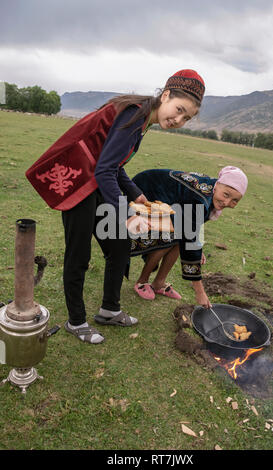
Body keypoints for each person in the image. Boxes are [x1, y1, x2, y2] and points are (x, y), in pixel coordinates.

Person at [25, 69, 205, 344]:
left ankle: (109, 309)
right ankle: (76, 321)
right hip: (78, 184)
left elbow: (113, 163)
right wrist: (128, 213)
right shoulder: (134, 115)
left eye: (187, 117)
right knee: (79, 254)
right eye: (179, 109)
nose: (179, 119)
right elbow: (105, 169)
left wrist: (136, 195)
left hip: (94, 181)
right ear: (166, 95)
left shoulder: (142, 119)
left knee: (119, 244)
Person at [130, 166, 248, 308]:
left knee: (180, 236)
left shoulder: (211, 190)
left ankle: (158, 283)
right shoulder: (200, 199)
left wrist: (198, 246)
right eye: (226, 195)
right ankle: (142, 281)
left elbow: (192, 226)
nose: (227, 203)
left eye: (235, 201)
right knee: (171, 236)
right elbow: (189, 235)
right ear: (218, 185)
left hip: (167, 204)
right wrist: (199, 292)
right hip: (143, 193)